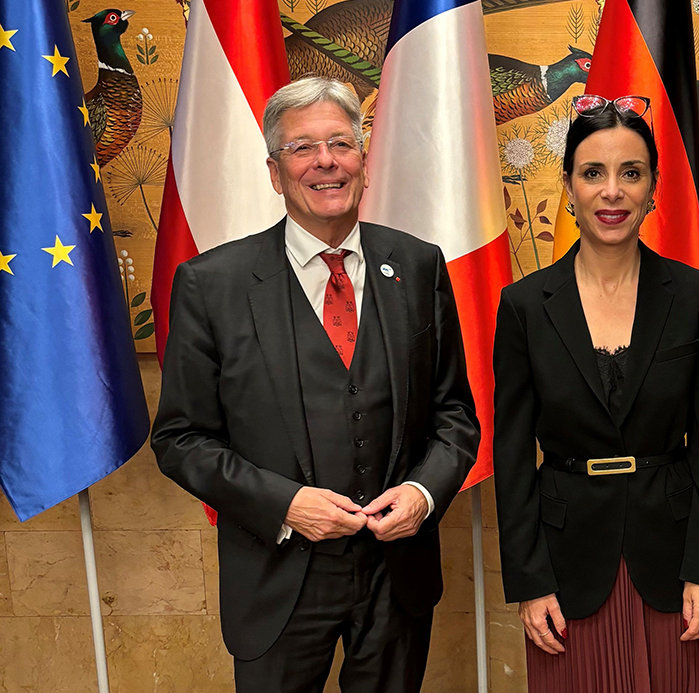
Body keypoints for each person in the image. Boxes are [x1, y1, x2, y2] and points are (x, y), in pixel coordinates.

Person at [151, 77, 480, 693]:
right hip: (275, 577)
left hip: (395, 577)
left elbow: (454, 413)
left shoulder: (418, 264)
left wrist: (422, 494)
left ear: (362, 159)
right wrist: (286, 505)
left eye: (340, 143)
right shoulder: (211, 284)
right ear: (275, 173)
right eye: (302, 148)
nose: (325, 161)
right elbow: (180, 439)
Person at [492, 94, 699, 692]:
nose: (612, 191)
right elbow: (513, 456)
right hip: (565, 563)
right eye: (593, 173)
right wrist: (528, 580)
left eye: (631, 173)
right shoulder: (525, 306)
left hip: (673, 563)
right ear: (569, 187)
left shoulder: (693, 296)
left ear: (653, 187)